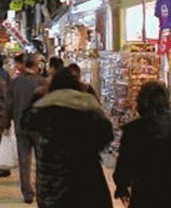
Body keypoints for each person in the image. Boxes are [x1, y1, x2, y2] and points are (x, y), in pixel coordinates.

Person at [21, 68, 114, 208]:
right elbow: (107, 135)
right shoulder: (89, 107)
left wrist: (39, 97)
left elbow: (25, 122)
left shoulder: (43, 108)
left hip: (52, 186)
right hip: (86, 181)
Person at [113, 81, 171, 208]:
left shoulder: (133, 130)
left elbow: (124, 165)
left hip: (143, 195)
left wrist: (122, 186)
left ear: (141, 102)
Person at [4, 53, 47, 203]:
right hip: (40, 127)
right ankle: (41, 190)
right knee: (41, 160)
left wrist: (5, 124)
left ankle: (27, 192)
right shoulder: (44, 83)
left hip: (21, 125)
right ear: (36, 67)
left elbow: (8, 105)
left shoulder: (15, 83)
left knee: (24, 159)